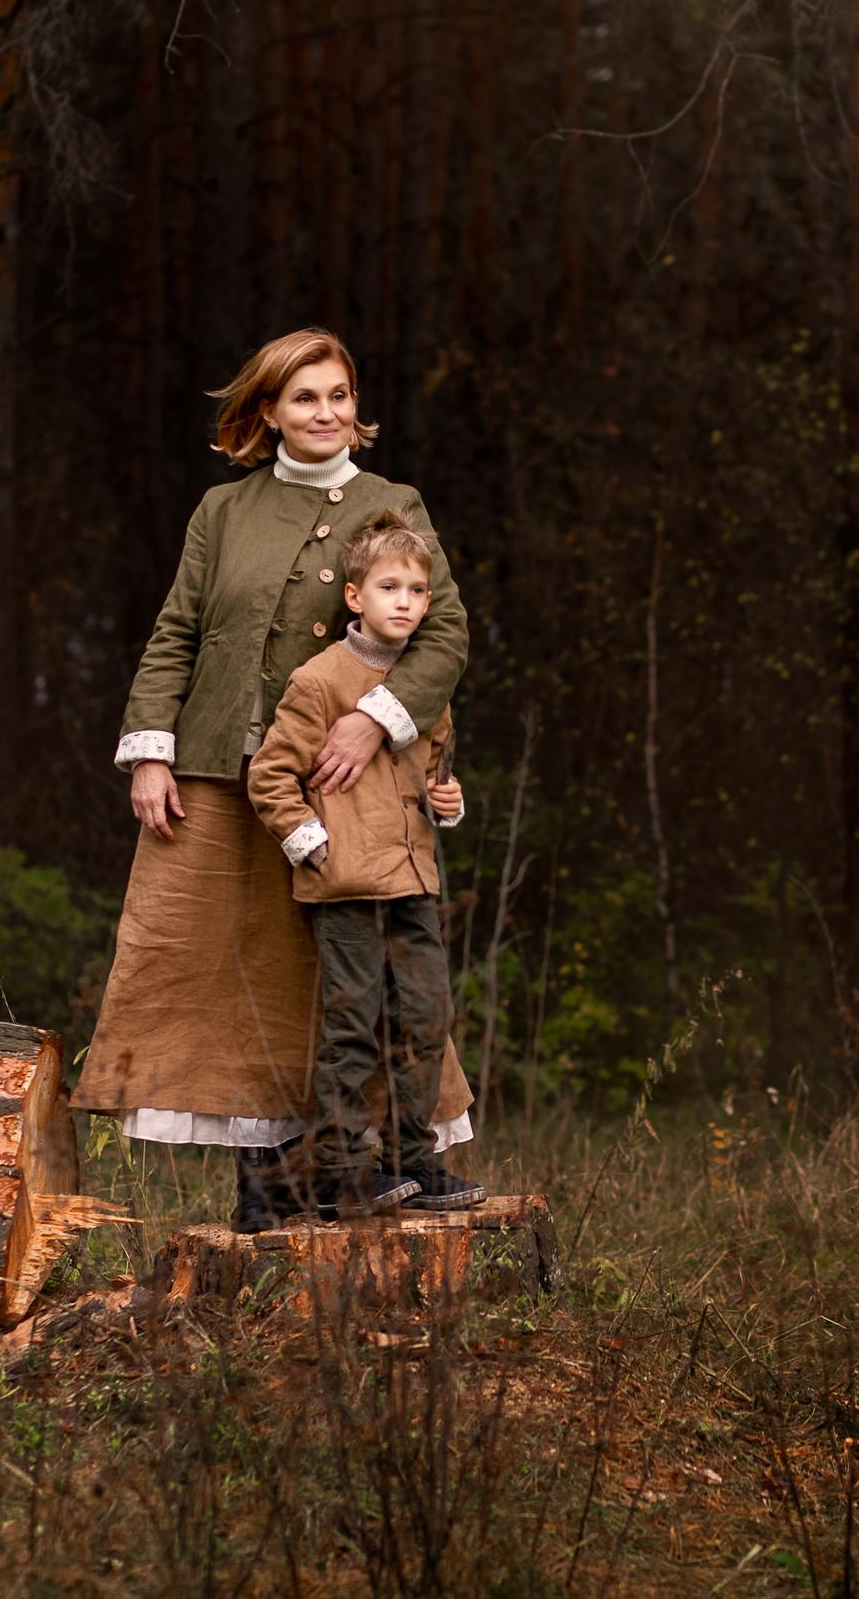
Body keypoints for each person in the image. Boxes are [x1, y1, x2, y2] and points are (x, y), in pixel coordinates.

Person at [71, 328, 475, 1232]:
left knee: (344, 982)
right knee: (224, 978)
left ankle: (362, 1178)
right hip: (215, 779)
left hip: (350, 785)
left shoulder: (390, 500)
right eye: (305, 398)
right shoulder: (222, 510)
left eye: (339, 395)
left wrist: (375, 719)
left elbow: (443, 635)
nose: (327, 412)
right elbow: (178, 630)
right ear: (266, 413)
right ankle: (269, 1205)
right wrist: (152, 751)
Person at [249, 511, 490, 1218]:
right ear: (355, 596)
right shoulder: (320, 680)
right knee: (350, 1024)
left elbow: (435, 776)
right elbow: (270, 775)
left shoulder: (428, 687)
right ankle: (339, 1171)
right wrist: (311, 844)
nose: (406, 602)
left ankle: (412, 1163)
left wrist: (449, 800)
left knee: (423, 1020)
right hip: (346, 885)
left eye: (418, 590)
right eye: (390, 587)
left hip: (414, 883)